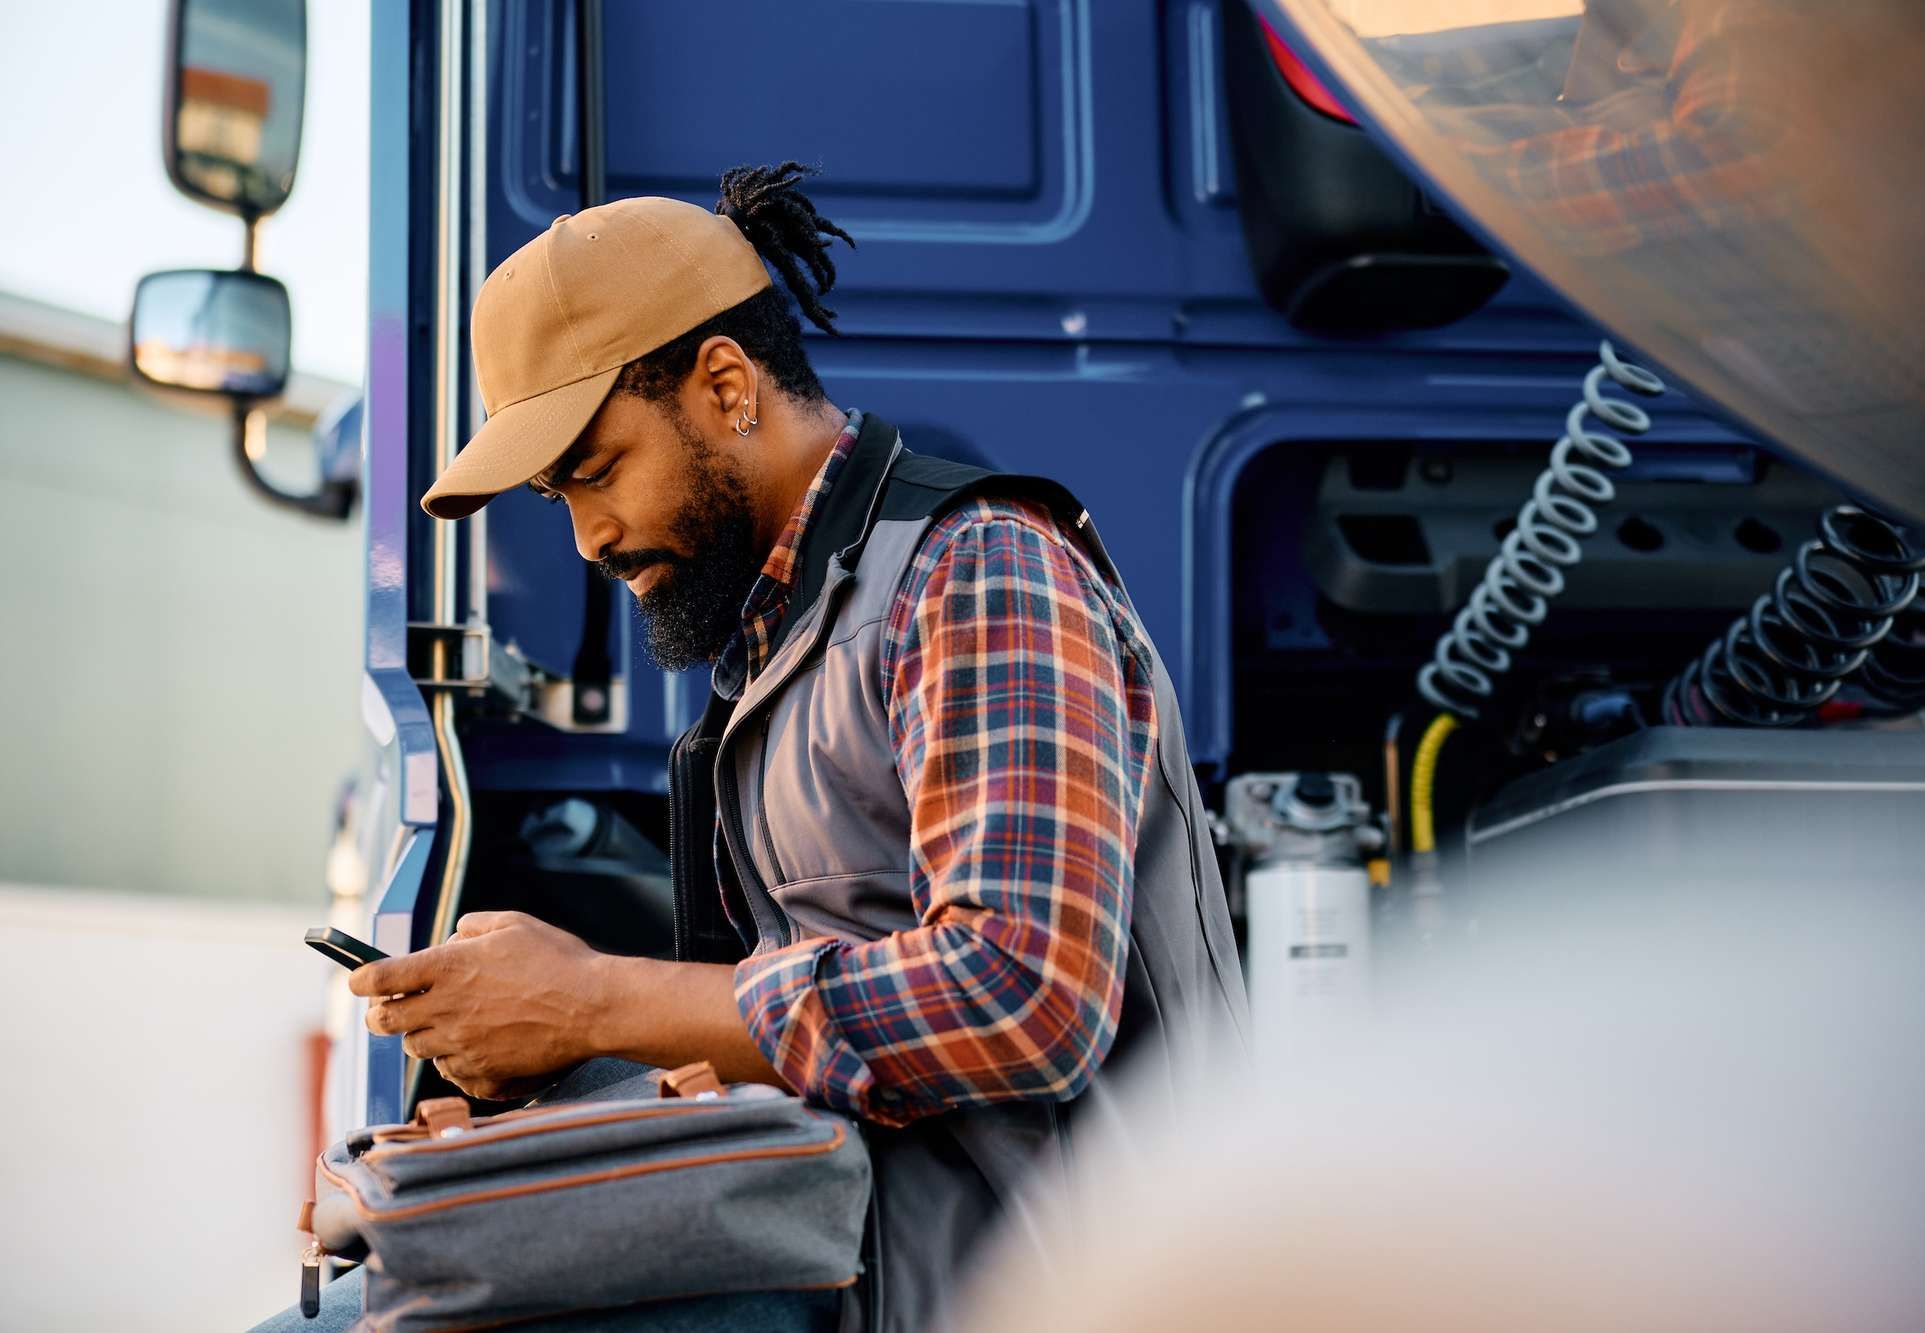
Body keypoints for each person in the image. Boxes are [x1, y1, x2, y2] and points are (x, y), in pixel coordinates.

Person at [262, 163, 1247, 1332]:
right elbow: (794, 1031)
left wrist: (593, 1004)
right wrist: (552, 1045)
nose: (587, 538)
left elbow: (1020, 992)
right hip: (846, 1258)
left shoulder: (978, 571)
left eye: (596, 471)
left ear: (724, 384)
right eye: (555, 497)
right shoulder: (779, 645)